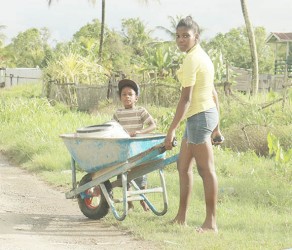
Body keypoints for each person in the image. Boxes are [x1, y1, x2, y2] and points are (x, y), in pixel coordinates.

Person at [164, 16, 223, 233]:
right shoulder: (201, 56)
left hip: (199, 117)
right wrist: (217, 126)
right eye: (178, 36)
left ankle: (210, 223)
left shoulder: (192, 59)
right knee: (183, 167)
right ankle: (181, 217)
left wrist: (171, 130)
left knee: (206, 170)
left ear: (195, 37)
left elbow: (186, 99)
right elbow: (213, 92)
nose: (181, 40)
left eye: (186, 36)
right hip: (201, 116)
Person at [113, 79, 157, 211]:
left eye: (130, 94)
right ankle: (130, 202)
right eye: (124, 94)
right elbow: (112, 128)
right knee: (124, 176)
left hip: (138, 149)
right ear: (120, 97)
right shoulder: (118, 113)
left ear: (136, 98)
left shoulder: (140, 111)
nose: (127, 97)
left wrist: (139, 132)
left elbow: (153, 125)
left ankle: (143, 200)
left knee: (140, 176)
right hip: (123, 149)